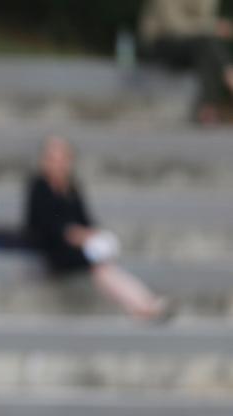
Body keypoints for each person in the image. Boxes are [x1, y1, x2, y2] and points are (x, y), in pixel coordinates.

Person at [24, 136, 172, 322]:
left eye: (62, 158)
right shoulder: (39, 188)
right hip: (52, 251)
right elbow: (43, 225)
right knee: (102, 268)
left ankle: (142, 303)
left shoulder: (72, 188)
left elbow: (85, 221)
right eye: (53, 158)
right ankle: (142, 304)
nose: (59, 164)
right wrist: (73, 234)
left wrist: (86, 234)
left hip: (73, 249)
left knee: (104, 266)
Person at [138, 0, 233, 124]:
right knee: (206, 43)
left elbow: (204, 22)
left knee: (208, 46)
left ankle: (208, 109)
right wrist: (212, 26)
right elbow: (174, 26)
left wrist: (210, 26)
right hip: (160, 43)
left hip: (194, 45)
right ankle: (227, 79)